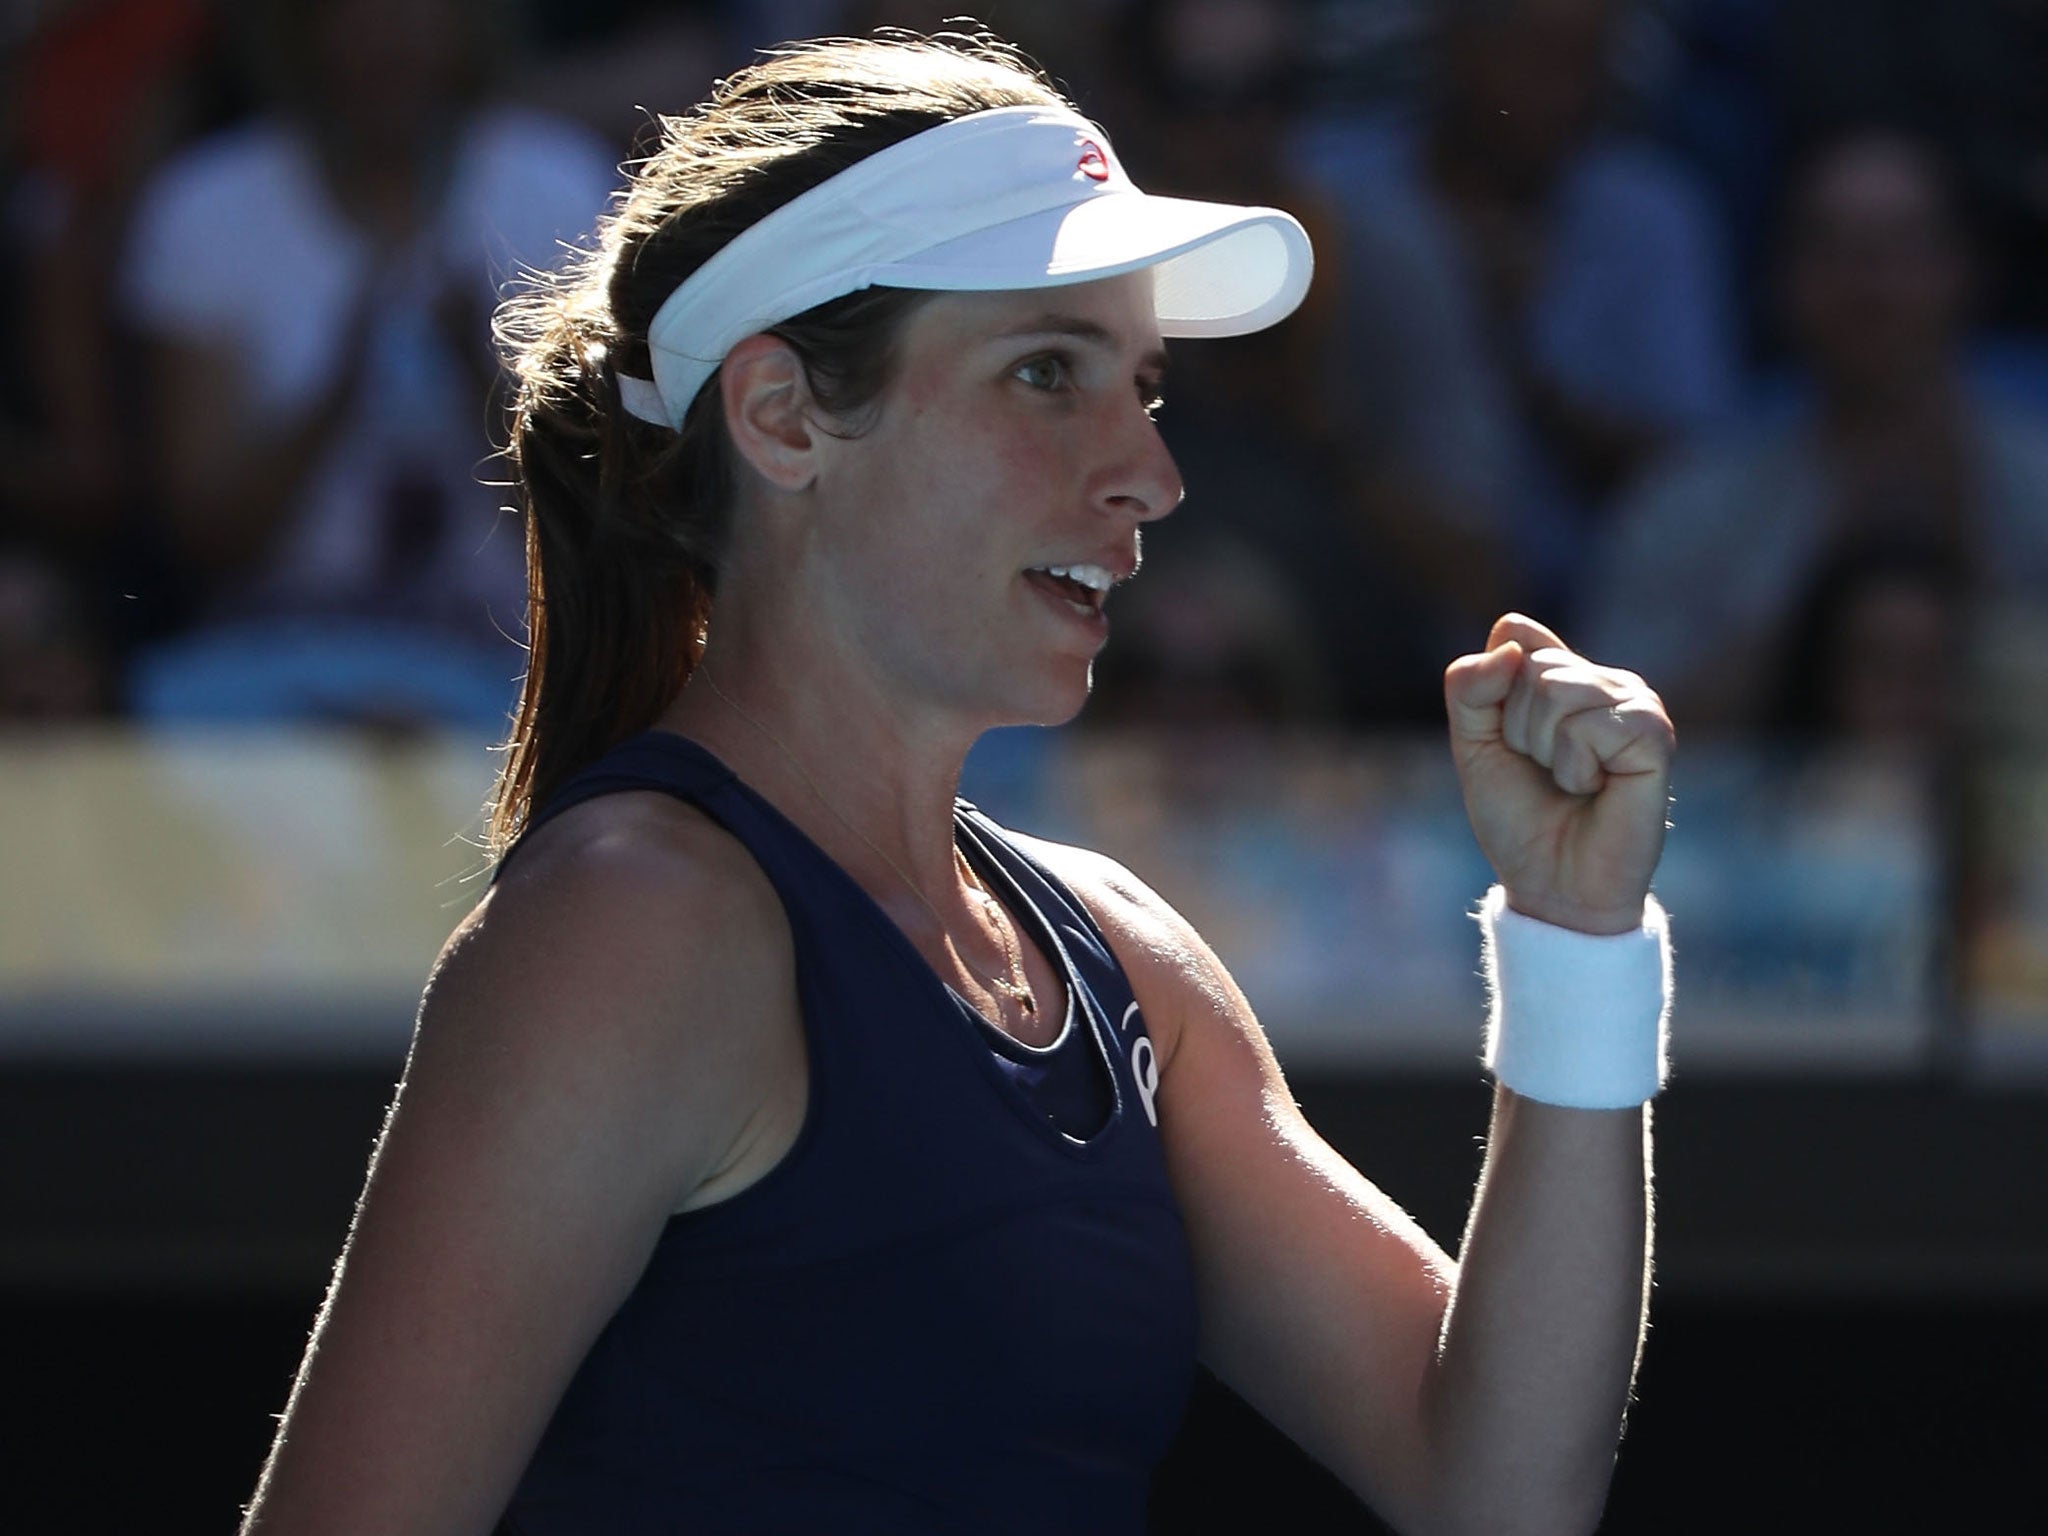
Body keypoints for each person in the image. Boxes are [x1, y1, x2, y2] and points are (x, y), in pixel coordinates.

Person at [238, 32, 1675, 1536]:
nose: (1148, 475)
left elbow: (1502, 1487)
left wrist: (1576, 932)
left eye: (1145, 387)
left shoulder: (1119, 951)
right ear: (783, 415)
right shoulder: (632, 927)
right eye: (1047, 373)